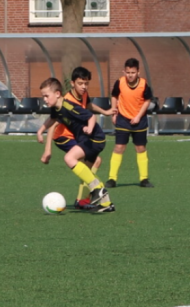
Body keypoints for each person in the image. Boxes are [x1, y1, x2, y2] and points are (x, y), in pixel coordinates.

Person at [37, 77, 115, 213]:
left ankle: (97, 189)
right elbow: (53, 118)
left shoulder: (68, 106)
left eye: (46, 96)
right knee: (87, 171)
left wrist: (90, 128)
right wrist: (41, 130)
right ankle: (106, 203)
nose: (44, 99)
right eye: (43, 96)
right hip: (88, 139)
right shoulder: (57, 108)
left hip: (94, 139)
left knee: (69, 158)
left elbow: (91, 116)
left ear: (57, 94)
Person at [107, 58, 154, 188]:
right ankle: (112, 179)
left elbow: (147, 100)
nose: (130, 75)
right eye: (128, 72)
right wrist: (114, 112)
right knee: (119, 147)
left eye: (133, 72)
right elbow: (114, 96)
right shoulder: (120, 82)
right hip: (123, 119)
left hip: (139, 121)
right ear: (124, 71)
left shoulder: (143, 84)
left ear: (138, 72)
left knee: (140, 148)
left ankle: (144, 179)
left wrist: (138, 116)